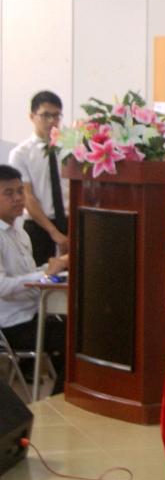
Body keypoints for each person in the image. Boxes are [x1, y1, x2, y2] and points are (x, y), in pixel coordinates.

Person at [0, 165, 69, 394]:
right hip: (11, 324)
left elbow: (28, 274)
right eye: (9, 193)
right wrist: (45, 274)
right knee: (73, 341)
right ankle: (60, 400)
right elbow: (2, 286)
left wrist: (55, 268)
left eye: (20, 191)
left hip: (34, 313)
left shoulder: (20, 232)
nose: (18, 198)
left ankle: (61, 397)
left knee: (77, 330)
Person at [8, 91, 68, 267]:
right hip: (39, 226)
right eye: (45, 115)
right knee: (40, 276)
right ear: (32, 116)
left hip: (70, 221)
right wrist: (53, 232)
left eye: (56, 115)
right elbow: (27, 197)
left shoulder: (69, 148)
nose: (52, 121)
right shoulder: (21, 153)